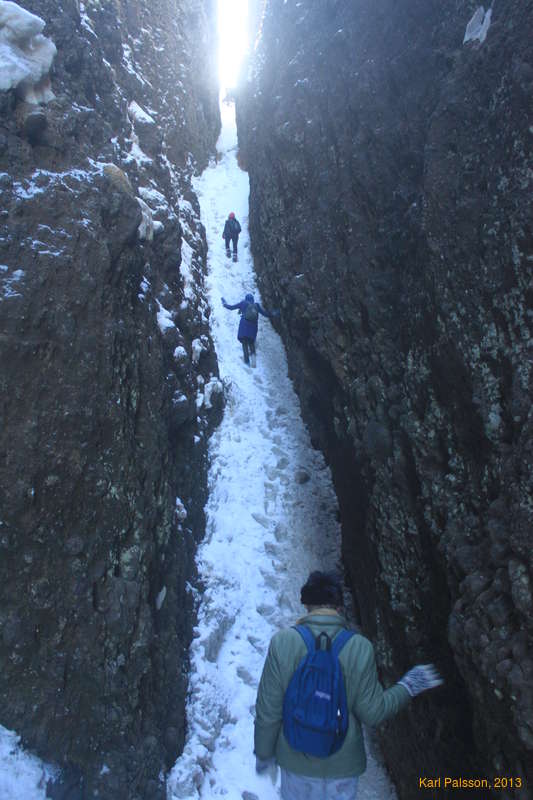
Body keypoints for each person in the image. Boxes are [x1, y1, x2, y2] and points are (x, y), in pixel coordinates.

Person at [254, 571, 443, 800]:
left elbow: (268, 710)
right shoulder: (360, 647)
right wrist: (409, 686)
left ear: (306, 605)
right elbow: (373, 712)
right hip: (342, 768)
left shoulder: (283, 642)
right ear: (340, 608)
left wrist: (264, 754)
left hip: (296, 765)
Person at [221, 292, 276, 367]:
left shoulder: (243, 303)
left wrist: (224, 303)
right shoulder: (256, 305)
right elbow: (265, 314)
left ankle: (247, 362)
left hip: (244, 326)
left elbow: (231, 307)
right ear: (252, 300)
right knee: (251, 342)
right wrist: (273, 313)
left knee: (244, 343)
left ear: (246, 299)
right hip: (253, 327)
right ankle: (253, 362)